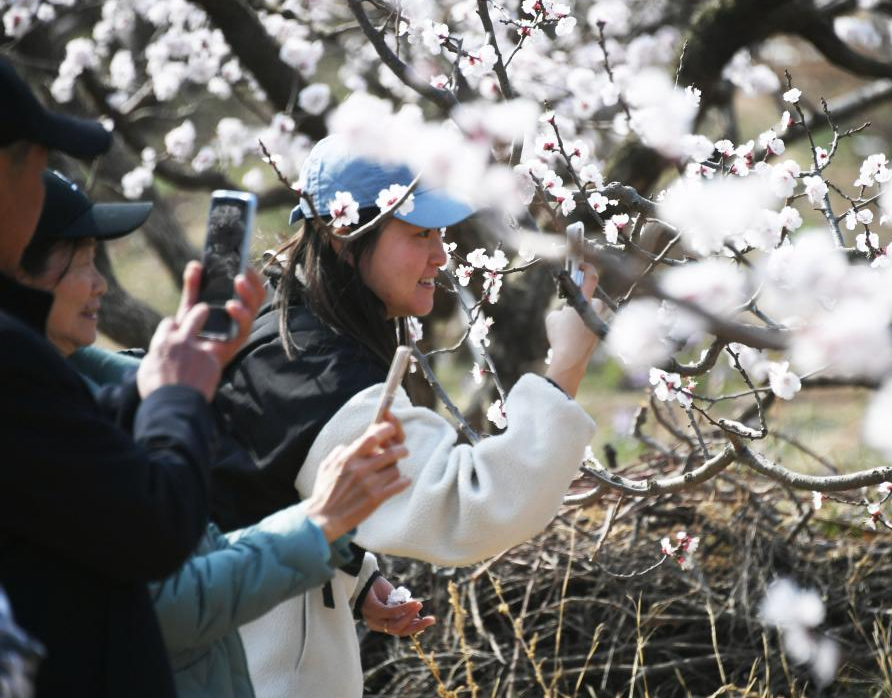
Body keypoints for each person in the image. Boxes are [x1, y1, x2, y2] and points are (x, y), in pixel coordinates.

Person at [210, 135, 603, 698]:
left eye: (439, 233)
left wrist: (348, 569)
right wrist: (565, 367)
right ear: (344, 235)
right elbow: (468, 503)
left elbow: (260, 490)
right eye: (419, 234)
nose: (440, 255)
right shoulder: (313, 372)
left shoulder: (279, 317)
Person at [19, 170, 429, 697]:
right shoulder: (37, 422)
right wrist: (320, 525)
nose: (101, 283)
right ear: (18, 273)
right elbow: (174, 599)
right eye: (79, 264)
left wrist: (351, 568)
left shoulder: (104, 389)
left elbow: (211, 522)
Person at [0, 56, 260, 697]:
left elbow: (58, 461)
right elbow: (150, 530)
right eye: (36, 166)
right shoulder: (11, 356)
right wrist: (176, 398)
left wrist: (152, 390)